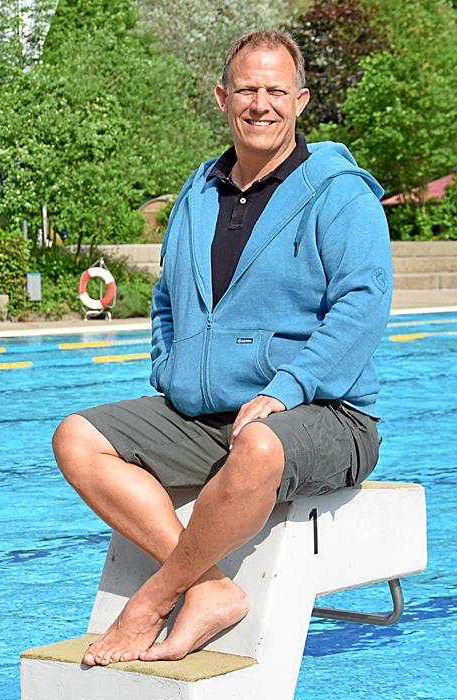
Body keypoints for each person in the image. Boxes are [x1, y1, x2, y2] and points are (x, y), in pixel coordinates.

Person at [51, 29, 393, 667]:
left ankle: (154, 600)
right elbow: (165, 300)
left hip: (326, 413)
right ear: (222, 98)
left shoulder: (338, 192)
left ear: (301, 100)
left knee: (260, 442)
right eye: (246, 89)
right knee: (76, 437)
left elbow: (364, 306)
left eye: (275, 90)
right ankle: (209, 588)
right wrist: (170, 367)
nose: (260, 103)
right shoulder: (198, 193)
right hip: (203, 415)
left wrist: (284, 390)